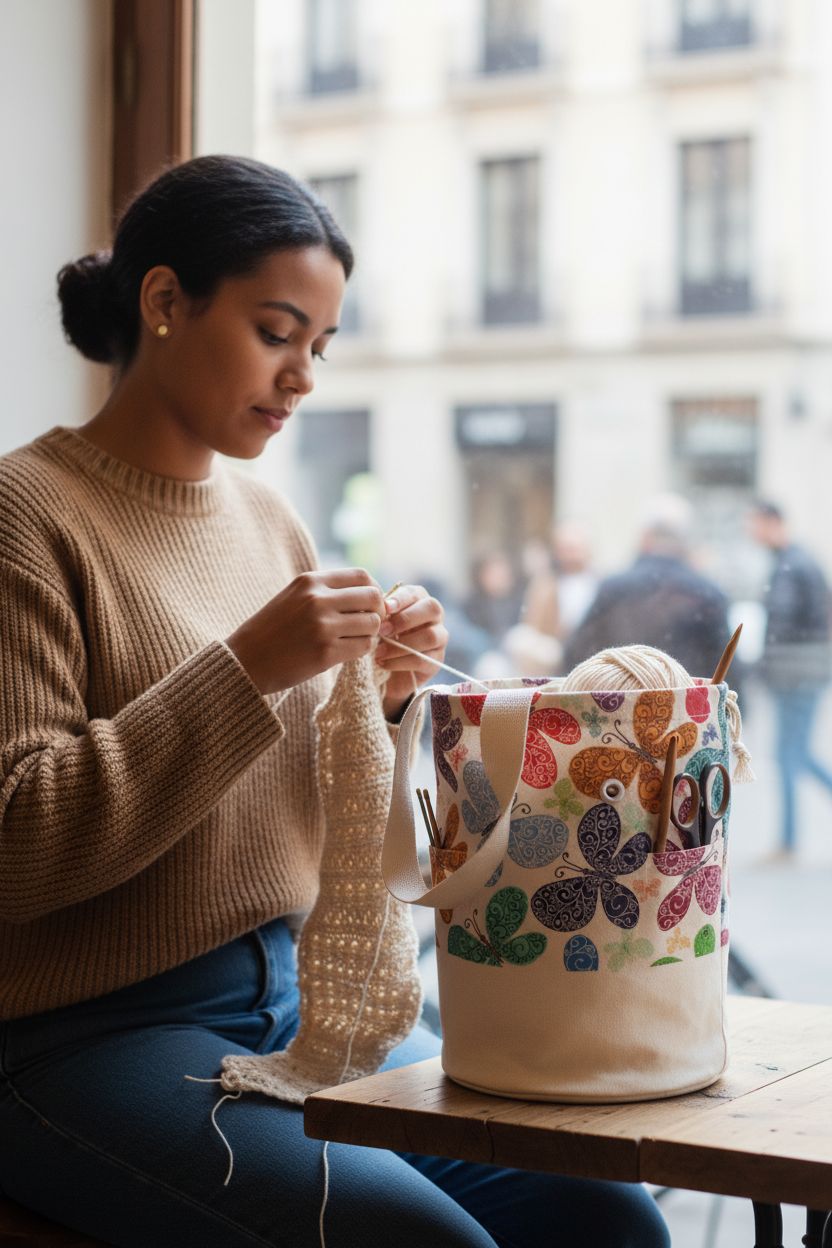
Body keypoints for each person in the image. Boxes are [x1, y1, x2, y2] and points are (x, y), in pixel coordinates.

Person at [0, 155, 668, 1248]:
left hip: (302, 997)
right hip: (83, 1038)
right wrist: (251, 666)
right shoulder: (24, 516)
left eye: (320, 344)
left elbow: (294, 816)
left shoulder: (271, 522)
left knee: (607, 1218)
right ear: (165, 302)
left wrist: (389, 703)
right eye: (276, 331)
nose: (303, 375)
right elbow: (20, 842)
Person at [562, 493, 729, 679]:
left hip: (619, 703)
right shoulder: (707, 593)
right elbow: (726, 669)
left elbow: (577, 655)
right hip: (687, 704)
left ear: (644, 536)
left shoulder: (614, 588)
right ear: (684, 540)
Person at [748, 499, 832, 856]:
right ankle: (788, 838)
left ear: (771, 523)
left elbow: (782, 621)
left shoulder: (790, 566)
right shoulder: (797, 562)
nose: (751, 533)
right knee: (793, 753)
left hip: (796, 671)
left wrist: (762, 666)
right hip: (804, 669)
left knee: (790, 754)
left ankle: (788, 841)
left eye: (753, 524)